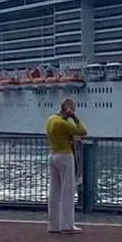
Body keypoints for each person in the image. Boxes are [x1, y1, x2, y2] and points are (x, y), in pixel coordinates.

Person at [45, 98, 87, 234]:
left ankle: (54, 225)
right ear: (68, 109)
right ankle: (67, 225)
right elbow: (82, 131)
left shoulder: (51, 119)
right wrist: (74, 118)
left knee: (54, 191)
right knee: (67, 192)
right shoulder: (63, 123)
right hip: (65, 156)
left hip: (52, 155)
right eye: (73, 109)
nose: (74, 111)